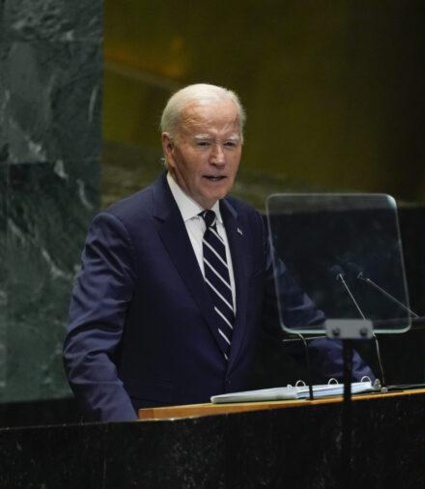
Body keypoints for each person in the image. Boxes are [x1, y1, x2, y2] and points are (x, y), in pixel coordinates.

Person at [63, 83, 374, 422]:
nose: (219, 158)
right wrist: (132, 439)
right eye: (203, 144)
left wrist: (368, 386)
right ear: (169, 148)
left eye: (230, 143)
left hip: (233, 443)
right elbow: (87, 350)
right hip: (153, 445)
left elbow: (302, 324)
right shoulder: (125, 228)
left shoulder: (249, 224)